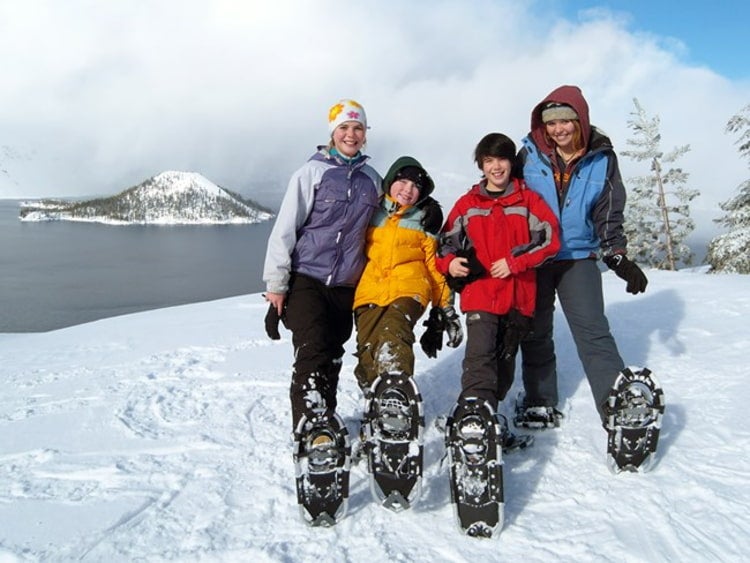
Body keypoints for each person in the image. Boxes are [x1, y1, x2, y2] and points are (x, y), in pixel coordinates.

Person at [514, 85, 649, 430]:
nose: (558, 129)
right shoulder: (528, 154)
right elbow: (509, 203)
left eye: (566, 121)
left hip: (577, 256)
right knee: (535, 330)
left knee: (593, 330)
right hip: (536, 256)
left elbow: (608, 212)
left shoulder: (602, 158)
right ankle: (540, 401)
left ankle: (615, 404)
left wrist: (617, 255)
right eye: (552, 123)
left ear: (580, 121)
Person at [262, 98, 382, 432]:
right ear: (333, 132)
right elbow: (285, 229)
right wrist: (276, 285)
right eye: (344, 127)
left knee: (332, 354)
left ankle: (325, 421)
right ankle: (309, 427)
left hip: (346, 284)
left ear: (365, 134)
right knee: (311, 350)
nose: (351, 134)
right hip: (307, 278)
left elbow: (386, 225)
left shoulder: (372, 180)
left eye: (358, 128)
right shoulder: (311, 172)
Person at [436, 132, 560, 444]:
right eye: (488, 160)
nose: (496, 166)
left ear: (510, 163)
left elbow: (550, 240)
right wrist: (450, 264)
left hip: (519, 297)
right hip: (481, 294)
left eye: (501, 159)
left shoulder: (528, 201)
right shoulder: (468, 204)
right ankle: (474, 418)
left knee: (504, 365)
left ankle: (488, 417)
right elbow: (445, 243)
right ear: (481, 164)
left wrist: (515, 263)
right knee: (480, 358)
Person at [353, 156, 461, 393]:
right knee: (367, 350)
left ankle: (397, 390)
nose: (408, 189)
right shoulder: (371, 211)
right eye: (403, 182)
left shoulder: (424, 219)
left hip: (409, 288)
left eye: (415, 186)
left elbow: (435, 266)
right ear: (391, 180)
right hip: (369, 291)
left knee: (394, 333)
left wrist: (445, 308)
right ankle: (377, 398)